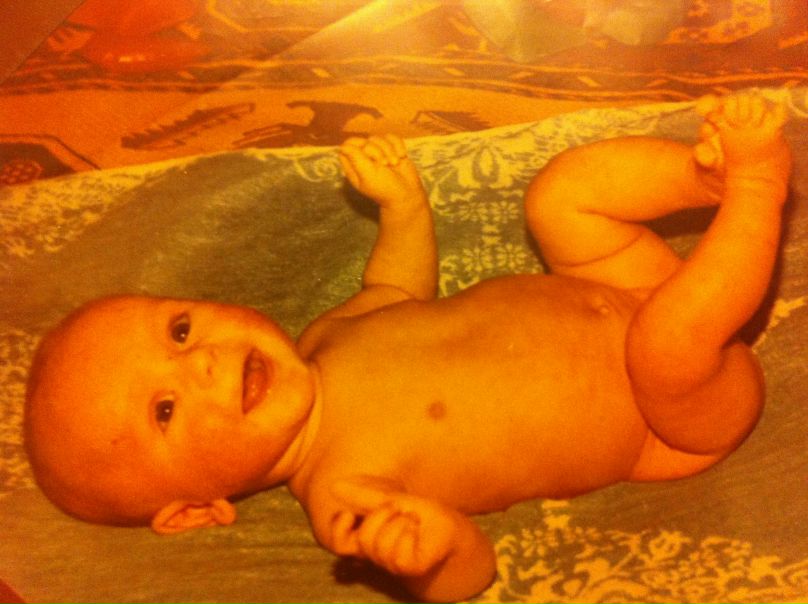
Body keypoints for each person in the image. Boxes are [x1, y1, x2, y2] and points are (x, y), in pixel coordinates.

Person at [25, 91, 791, 603]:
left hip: (613, 281)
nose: (199, 364)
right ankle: (758, 188)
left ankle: (704, 179)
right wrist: (430, 554)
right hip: (669, 412)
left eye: (180, 330)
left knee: (560, 196)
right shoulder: (344, 501)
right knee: (666, 342)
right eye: (165, 409)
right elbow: (471, 574)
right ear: (196, 510)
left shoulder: (327, 335)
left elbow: (397, 286)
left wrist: (403, 209)